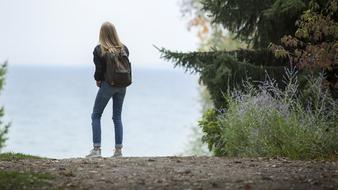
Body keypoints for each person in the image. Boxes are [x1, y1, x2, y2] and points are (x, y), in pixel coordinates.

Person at [86, 22, 129, 158]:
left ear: (102, 33)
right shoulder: (124, 48)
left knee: (96, 115)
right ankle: (118, 151)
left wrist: (98, 80)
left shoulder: (100, 49)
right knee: (117, 117)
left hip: (108, 85)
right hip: (122, 86)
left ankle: (97, 149)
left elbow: (99, 70)